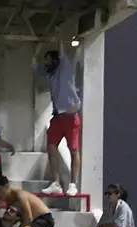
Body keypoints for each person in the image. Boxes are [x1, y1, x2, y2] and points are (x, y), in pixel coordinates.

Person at [35, 47, 81, 196]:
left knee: (73, 150)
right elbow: (35, 66)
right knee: (51, 146)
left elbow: (62, 53)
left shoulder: (65, 69)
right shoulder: (50, 75)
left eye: (47, 59)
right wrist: (36, 51)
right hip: (57, 117)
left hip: (70, 117)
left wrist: (60, 38)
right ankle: (56, 183)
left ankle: (73, 184)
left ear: (55, 60)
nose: (45, 63)